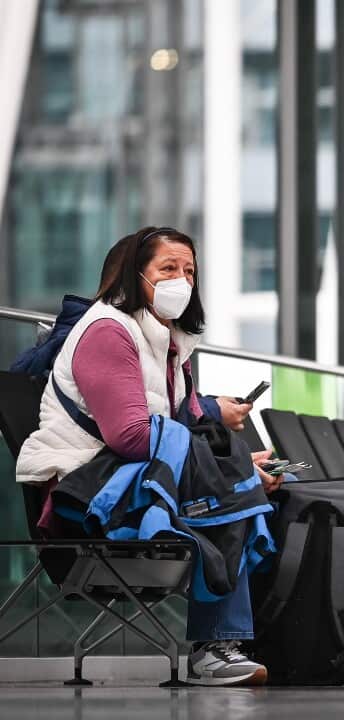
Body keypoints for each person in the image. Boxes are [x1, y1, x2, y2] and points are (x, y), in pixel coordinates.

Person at [15, 227, 277, 686]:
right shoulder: (107, 333)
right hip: (83, 498)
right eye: (169, 269)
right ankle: (213, 649)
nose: (182, 280)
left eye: (190, 271)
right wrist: (221, 468)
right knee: (225, 481)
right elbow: (133, 437)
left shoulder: (170, 343)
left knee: (262, 485)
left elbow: (182, 428)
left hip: (134, 483)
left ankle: (261, 643)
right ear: (136, 276)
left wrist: (238, 469)